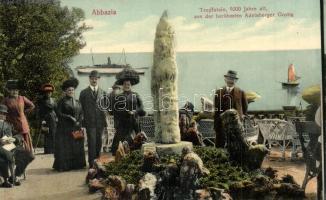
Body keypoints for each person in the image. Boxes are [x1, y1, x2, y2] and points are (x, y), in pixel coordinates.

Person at [53, 78, 86, 171]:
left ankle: (77, 164)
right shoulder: (62, 102)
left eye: (72, 90)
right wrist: (69, 117)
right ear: (65, 91)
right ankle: (66, 166)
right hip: (65, 128)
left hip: (77, 127)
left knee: (77, 145)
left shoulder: (77, 102)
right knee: (67, 146)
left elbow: (81, 113)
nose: (71, 91)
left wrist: (79, 121)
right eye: (69, 90)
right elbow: (58, 113)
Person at [111, 69, 146, 155]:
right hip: (123, 124)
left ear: (131, 85)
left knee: (138, 142)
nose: (127, 86)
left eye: (129, 84)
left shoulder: (136, 95)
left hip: (134, 123)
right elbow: (115, 111)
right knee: (120, 145)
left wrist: (134, 112)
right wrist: (126, 112)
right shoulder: (118, 97)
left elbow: (142, 109)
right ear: (123, 85)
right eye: (125, 84)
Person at [79, 70, 107, 167]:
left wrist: (105, 122)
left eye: (96, 78)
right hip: (89, 122)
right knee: (91, 142)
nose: (94, 80)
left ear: (98, 79)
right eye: (92, 78)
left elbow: (105, 108)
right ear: (89, 79)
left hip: (100, 122)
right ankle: (91, 163)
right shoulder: (83, 93)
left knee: (99, 142)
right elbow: (80, 108)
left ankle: (98, 162)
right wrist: (82, 121)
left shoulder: (103, 92)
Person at [214, 70, 248, 148]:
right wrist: (216, 125)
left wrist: (241, 118)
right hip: (222, 123)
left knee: (235, 145)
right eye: (229, 78)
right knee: (220, 144)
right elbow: (216, 109)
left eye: (233, 79)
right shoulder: (219, 92)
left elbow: (245, 108)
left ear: (235, 80)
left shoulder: (240, 92)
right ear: (225, 79)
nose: (231, 80)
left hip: (235, 124)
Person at [2, 80, 35, 153]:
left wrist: (24, 113)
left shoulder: (22, 98)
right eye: (12, 90)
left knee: (24, 142)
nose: (14, 92)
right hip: (11, 124)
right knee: (11, 143)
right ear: (9, 90)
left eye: (16, 90)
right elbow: (1, 111)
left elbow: (32, 106)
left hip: (22, 124)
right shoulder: (5, 100)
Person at [36, 83, 57, 154]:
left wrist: (57, 117)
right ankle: (48, 150)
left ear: (51, 93)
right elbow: (40, 111)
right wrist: (42, 120)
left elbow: (56, 109)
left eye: (50, 92)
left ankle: (54, 149)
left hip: (53, 118)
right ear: (45, 93)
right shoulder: (42, 101)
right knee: (47, 133)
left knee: (54, 133)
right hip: (46, 118)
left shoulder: (54, 100)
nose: (48, 94)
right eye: (47, 92)